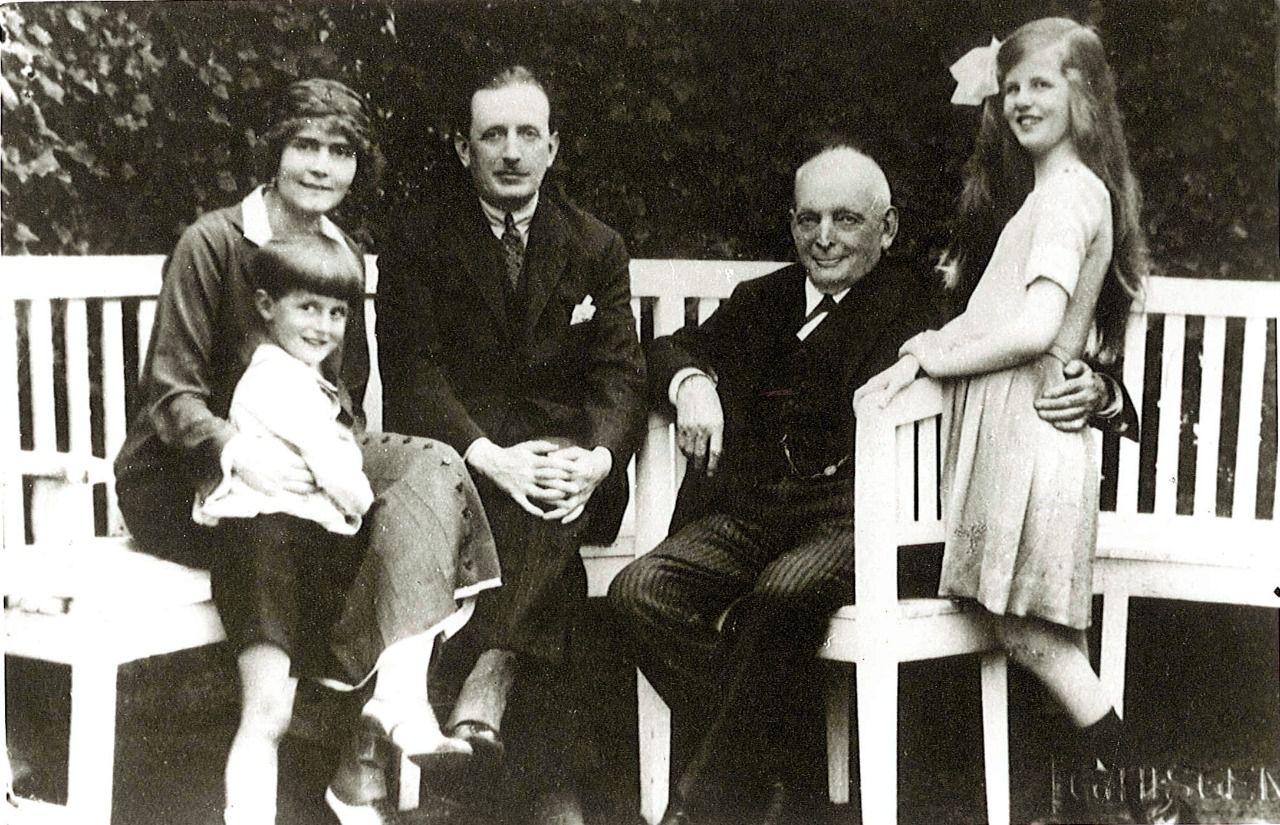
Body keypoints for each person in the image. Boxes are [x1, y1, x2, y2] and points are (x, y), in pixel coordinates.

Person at [608, 137, 1131, 825]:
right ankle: (775, 770)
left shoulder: (930, 303)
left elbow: (1034, 348)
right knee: (638, 591)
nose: (823, 239)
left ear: (887, 228)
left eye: (846, 220)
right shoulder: (761, 300)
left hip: (860, 518)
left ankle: (708, 803)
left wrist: (1100, 391)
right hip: (753, 514)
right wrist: (691, 381)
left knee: (783, 595)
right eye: (807, 219)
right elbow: (666, 349)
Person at [113, 78, 500, 825]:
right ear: (275, 152)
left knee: (431, 466)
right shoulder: (215, 242)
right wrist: (236, 451)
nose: (323, 166)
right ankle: (354, 737)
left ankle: (394, 698)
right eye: (306, 147)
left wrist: (342, 472)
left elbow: (343, 397)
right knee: (336, 520)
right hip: (189, 474)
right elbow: (169, 393)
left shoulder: (339, 255)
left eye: (341, 151)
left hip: (303, 465)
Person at [857, 18, 1193, 825]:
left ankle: (1148, 798)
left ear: (1086, 96)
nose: (1020, 101)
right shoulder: (1050, 195)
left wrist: (937, 359)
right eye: (1010, 88)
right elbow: (992, 308)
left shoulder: (1068, 196)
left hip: (1033, 433)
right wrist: (930, 343)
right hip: (1019, 433)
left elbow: (1040, 326)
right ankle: (1119, 801)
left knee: (1032, 631)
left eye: (1041, 83)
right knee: (1023, 628)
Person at [376, 65, 646, 824]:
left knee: (551, 495)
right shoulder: (419, 239)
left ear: (553, 146)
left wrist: (597, 459)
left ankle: (488, 678)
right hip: (465, 468)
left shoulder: (596, 245)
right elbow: (413, 372)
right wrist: (488, 453)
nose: (511, 150)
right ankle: (554, 790)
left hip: (574, 470)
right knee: (542, 546)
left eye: (528, 133)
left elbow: (620, 372)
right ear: (465, 149)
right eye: (493, 134)